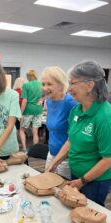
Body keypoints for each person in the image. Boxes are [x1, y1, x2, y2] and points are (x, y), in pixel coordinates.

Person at [46, 61, 111, 206]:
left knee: (88, 217)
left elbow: (108, 159)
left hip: (95, 181)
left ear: (89, 85)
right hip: (77, 174)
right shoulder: (77, 110)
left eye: (73, 83)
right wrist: (54, 162)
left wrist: (83, 181)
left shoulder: (105, 117)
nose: (69, 89)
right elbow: (71, 141)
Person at [41, 66, 77, 179]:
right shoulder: (50, 101)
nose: (45, 88)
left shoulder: (71, 103)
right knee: (46, 183)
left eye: (49, 84)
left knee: (60, 191)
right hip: (51, 153)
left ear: (61, 84)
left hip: (65, 158)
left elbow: (74, 137)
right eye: (43, 84)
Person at [19, 69, 43, 153]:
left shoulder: (26, 85)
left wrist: (20, 113)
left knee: (22, 130)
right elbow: (43, 97)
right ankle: (35, 150)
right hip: (38, 110)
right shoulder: (41, 85)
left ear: (28, 77)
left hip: (28, 110)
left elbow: (24, 101)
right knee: (35, 131)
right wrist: (41, 100)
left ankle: (24, 149)